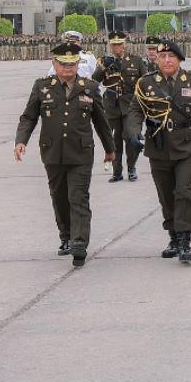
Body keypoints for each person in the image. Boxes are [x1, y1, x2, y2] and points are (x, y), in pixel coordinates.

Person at [14, 41, 115, 267]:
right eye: (63, 64)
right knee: (59, 197)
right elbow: (29, 117)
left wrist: (110, 149)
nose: (68, 68)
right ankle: (66, 236)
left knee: (78, 197)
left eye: (72, 64)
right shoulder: (42, 86)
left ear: (78, 63)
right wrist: (21, 141)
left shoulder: (89, 87)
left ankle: (79, 243)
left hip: (81, 152)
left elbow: (101, 122)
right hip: (52, 152)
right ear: (54, 63)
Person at [131, 37, 191, 263]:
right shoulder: (146, 83)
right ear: (157, 59)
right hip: (158, 145)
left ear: (179, 59)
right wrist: (133, 132)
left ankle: (185, 239)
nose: (167, 60)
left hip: (187, 145)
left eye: (171, 56)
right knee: (166, 195)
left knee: (184, 191)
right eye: (162, 56)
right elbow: (135, 111)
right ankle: (173, 236)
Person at [97, 31, 152, 182]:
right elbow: (94, 81)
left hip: (130, 106)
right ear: (110, 46)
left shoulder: (136, 61)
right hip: (111, 106)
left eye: (119, 44)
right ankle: (117, 172)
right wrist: (103, 68)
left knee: (131, 138)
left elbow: (145, 82)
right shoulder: (105, 61)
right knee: (114, 141)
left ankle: (132, 167)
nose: (116, 47)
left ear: (124, 45)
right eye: (113, 45)